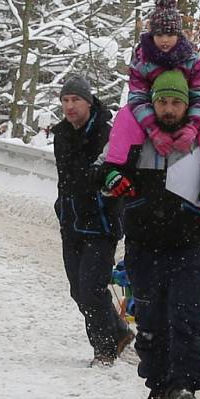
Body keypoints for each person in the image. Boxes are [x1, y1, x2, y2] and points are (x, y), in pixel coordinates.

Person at [102, 69, 200, 399]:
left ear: (187, 104)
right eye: (162, 101)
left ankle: (184, 385)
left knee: (188, 315)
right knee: (150, 319)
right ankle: (158, 385)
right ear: (152, 103)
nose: (168, 109)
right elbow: (104, 169)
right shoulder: (135, 134)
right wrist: (114, 180)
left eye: (176, 102)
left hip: (187, 243)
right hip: (143, 242)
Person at [51, 74, 134, 367]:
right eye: (65, 100)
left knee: (92, 288)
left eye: (76, 100)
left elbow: (104, 176)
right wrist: (62, 207)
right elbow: (66, 180)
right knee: (78, 290)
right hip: (71, 222)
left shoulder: (107, 133)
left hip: (101, 223)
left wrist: (104, 196)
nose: (70, 106)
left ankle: (104, 349)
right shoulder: (60, 134)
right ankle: (121, 331)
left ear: (89, 102)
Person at [122, 0, 200, 157]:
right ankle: (119, 164)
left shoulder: (190, 60)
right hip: (153, 114)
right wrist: (153, 129)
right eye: (159, 34)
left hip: (184, 113)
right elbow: (137, 96)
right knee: (125, 117)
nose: (164, 40)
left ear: (178, 35)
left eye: (170, 34)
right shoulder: (143, 61)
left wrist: (192, 126)